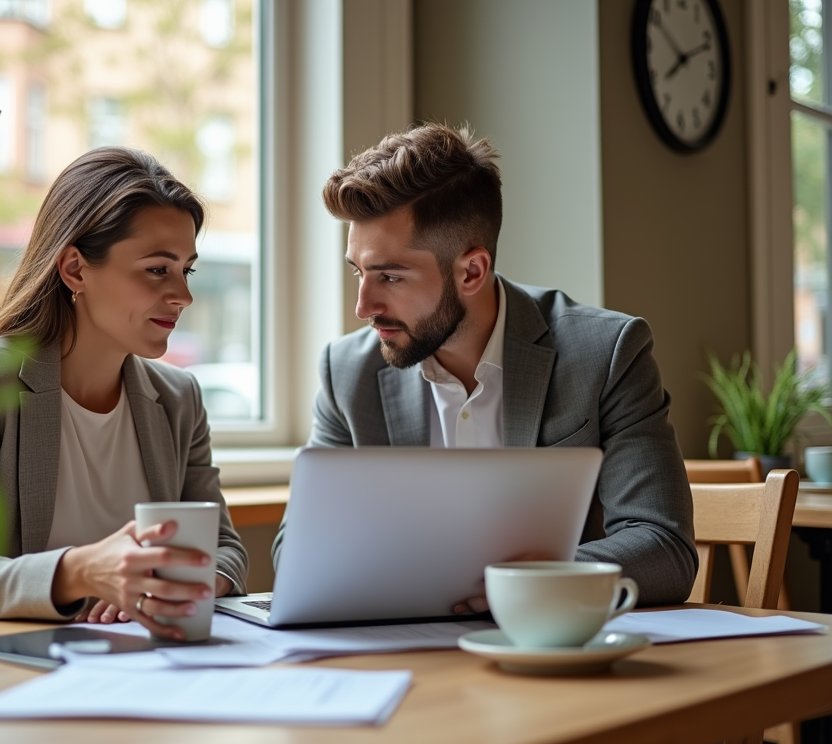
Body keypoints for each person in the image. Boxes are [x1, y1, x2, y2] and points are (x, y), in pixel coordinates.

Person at [276, 123, 696, 608]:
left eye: (390, 276)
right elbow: (296, 555)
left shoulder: (606, 353)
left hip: (553, 656)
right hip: (408, 663)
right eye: (358, 271)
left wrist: (516, 584)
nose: (363, 306)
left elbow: (663, 546)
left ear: (471, 271)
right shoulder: (347, 373)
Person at [0, 147, 248, 638]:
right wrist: (81, 572)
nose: (183, 295)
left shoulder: (178, 398)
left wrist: (184, 582)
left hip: (124, 668)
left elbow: (226, 550)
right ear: (75, 270)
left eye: (186, 270)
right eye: (156, 269)